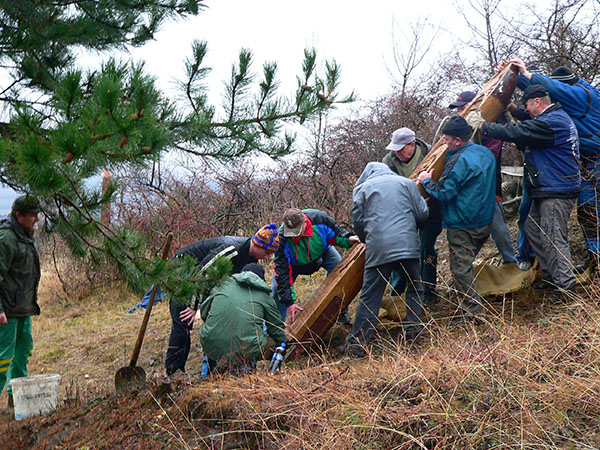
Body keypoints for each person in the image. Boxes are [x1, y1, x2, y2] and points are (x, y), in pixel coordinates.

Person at [478, 84, 581, 302]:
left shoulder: (552, 123)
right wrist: (513, 110)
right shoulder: (552, 118)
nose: (527, 110)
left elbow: (521, 131)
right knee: (533, 230)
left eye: (527, 105)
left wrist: (484, 127)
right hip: (548, 187)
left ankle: (566, 287)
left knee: (553, 238)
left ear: (537, 102)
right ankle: (552, 276)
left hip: (557, 190)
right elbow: (527, 125)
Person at [511, 59, 600, 272]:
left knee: (591, 210)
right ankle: (593, 257)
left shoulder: (583, 96)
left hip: (594, 162)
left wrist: (526, 74)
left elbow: (551, 90)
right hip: (584, 163)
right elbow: (541, 96)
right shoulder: (574, 101)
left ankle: (595, 258)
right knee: (588, 211)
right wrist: (515, 84)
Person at [163, 224, 279, 383]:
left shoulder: (250, 257)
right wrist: (193, 305)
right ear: (257, 243)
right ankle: (174, 372)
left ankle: (217, 369)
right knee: (183, 323)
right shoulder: (231, 250)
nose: (267, 257)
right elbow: (202, 273)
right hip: (182, 273)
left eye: (270, 254)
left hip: (202, 281)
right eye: (266, 252)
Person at [417, 116, 496, 321]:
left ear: (457, 140)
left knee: (460, 269)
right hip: (485, 220)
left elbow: (444, 193)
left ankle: (473, 312)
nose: (444, 143)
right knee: (466, 265)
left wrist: (426, 181)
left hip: (463, 223)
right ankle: (462, 297)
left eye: (446, 139)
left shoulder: (457, 162)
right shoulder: (485, 153)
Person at [346, 162, 429, 357]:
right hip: (408, 245)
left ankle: (359, 344)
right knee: (416, 287)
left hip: (379, 248)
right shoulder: (407, 183)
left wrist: (368, 239)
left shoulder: (362, 189)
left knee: (370, 295)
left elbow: (358, 223)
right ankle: (414, 332)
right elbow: (422, 213)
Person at [451, 91, 519, 266]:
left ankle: (511, 265)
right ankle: (463, 271)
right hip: (468, 194)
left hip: (488, 190)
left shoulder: (489, 131)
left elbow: (487, 157)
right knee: (473, 234)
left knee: (498, 230)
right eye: (458, 110)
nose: (461, 113)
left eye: (463, 108)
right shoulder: (457, 137)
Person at [381, 127, 443, 305]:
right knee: (400, 251)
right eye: (395, 149)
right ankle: (397, 292)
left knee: (426, 249)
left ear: (412, 144)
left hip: (432, 211)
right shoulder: (389, 162)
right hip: (405, 213)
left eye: (402, 148)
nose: (398, 153)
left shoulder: (431, 153)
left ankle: (429, 292)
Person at [273, 208, 360, 323]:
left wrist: (349, 239)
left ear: (304, 222)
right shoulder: (281, 241)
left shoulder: (320, 219)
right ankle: (274, 327)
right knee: (277, 290)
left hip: (322, 252)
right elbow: (282, 273)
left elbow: (336, 235)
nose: (294, 236)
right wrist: (289, 302)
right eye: (291, 232)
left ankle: (339, 313)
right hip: (293, 265)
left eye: (297, 231)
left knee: (340, 270)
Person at [199, 263, 286, 375]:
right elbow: (275, 328)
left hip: (211, 343)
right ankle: (246, 368)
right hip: (246, 349)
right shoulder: (265, 296)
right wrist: (283, 343)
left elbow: (204, 313)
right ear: (261, 279)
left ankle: (211, 371)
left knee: (211, 332)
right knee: (273, 343)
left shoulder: (222, 286)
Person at [0, 195, 41, 409]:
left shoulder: (26, 235)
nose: (36, 220)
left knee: (23, 353)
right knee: (2, 360)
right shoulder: (6, 238)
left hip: (23, 309)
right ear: (19, 216)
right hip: (6, 311)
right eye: (32, 216)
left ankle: (16, 399)